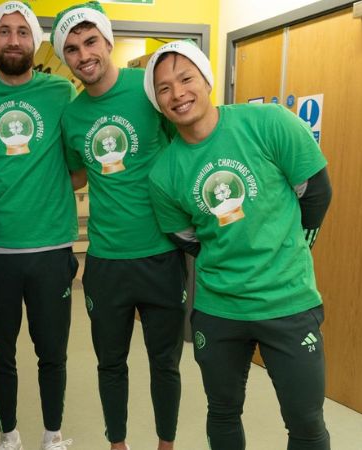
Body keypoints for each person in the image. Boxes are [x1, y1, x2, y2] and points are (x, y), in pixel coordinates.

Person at [144, 40, 333, 450]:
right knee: (223, 412)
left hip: (288, 303)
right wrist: (228, 258)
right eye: (163, 88)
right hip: (219, 309)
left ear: (207, 80)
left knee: (306, 420)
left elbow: (316, 191)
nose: (177, 94)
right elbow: (185, 238)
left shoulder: (267, 123)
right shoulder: (164, 173)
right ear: (157, 102)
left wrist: (286, 249)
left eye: (185, 78)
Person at [51, 3, 187, 450]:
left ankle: (166, 444)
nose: (83, 54)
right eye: (71, 49)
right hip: (106, 262)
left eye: (91, 42)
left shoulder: (148, 89)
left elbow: (183, 146)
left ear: (107, 43)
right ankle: (117, 445)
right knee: (111, 364)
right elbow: (76, 175)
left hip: (161, 254)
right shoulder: (71, 117)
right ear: (65, 59)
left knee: (165, 363)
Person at [0, 2, 79, 449]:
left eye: (22, 32)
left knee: (53, 353)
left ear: (36, 42)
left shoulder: (61, 94)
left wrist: (48, 187)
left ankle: (54, 434)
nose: (13, 40)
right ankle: (9, 435)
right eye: (4, 32)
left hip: (51, 248)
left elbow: (80, 163)